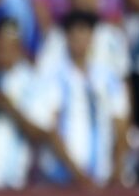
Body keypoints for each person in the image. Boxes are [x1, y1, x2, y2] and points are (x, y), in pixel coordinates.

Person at [0, 18, 89, 190]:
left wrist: (9, 108)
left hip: (7, 186)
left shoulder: (33, 82)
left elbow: (40, 132)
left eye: (9, 45)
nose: (3, 50)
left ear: (19, 47)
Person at [38, 10, 130, 186]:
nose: (80, 39)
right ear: (67, 38)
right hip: (62, 178)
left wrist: (117, 169)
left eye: (85, 32)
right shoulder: (53, 77)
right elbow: (51, 128)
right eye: (75, 33)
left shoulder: (108, 78)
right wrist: (77, 174)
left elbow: (121, 125)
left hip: (102, 177)